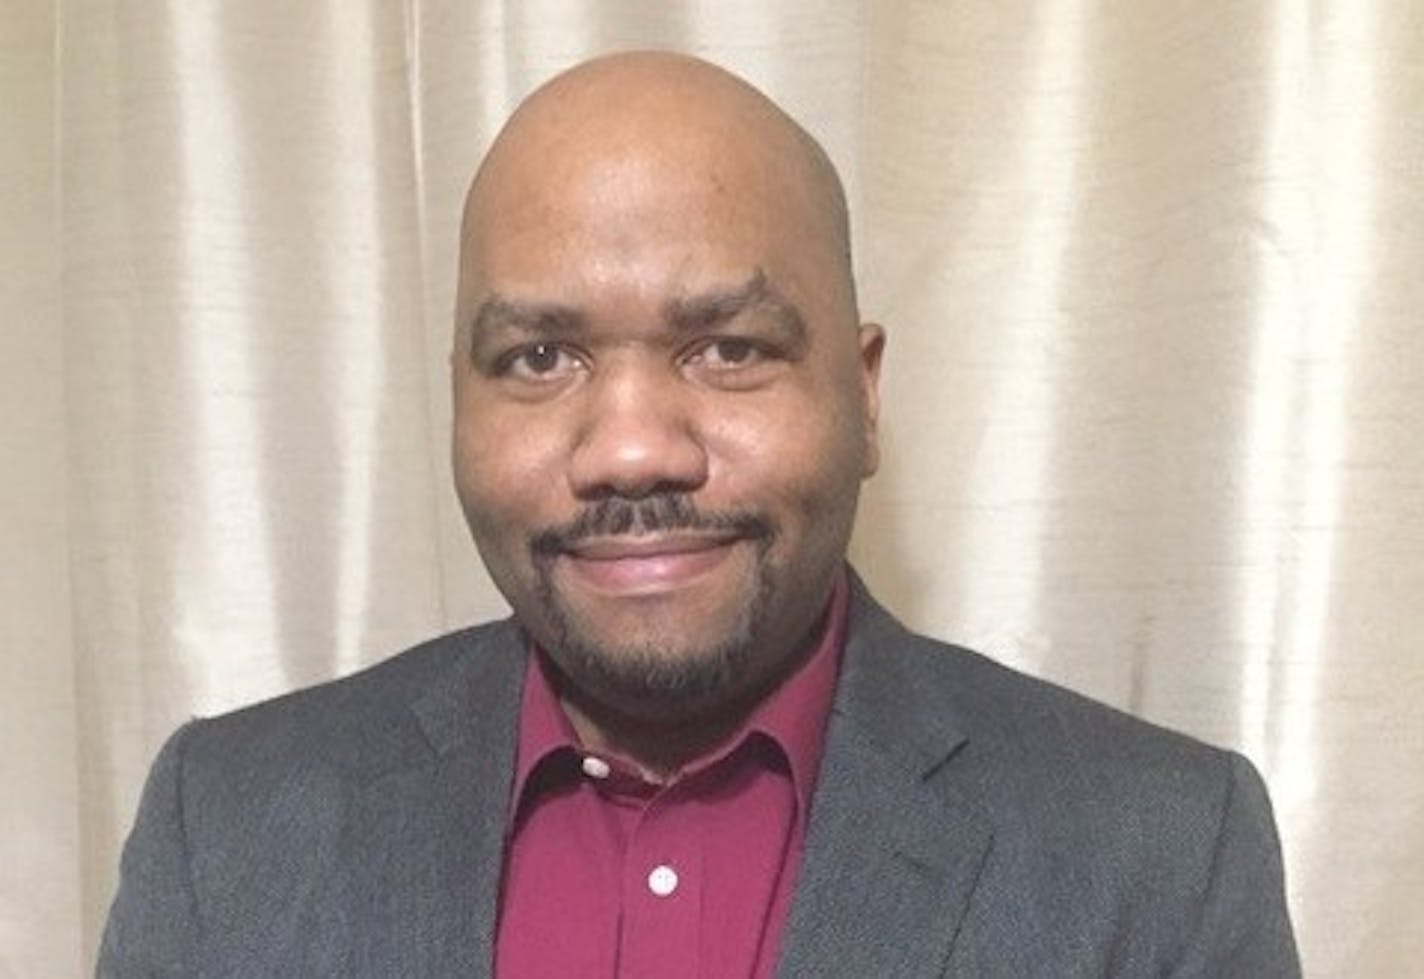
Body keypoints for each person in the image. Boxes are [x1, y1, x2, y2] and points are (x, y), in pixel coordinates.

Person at [98, 51, 1300, 977]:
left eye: (728, 347)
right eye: (537, 357)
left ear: (862, 395)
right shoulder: (229, 830)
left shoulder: (1159, 858)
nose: (630, 449)